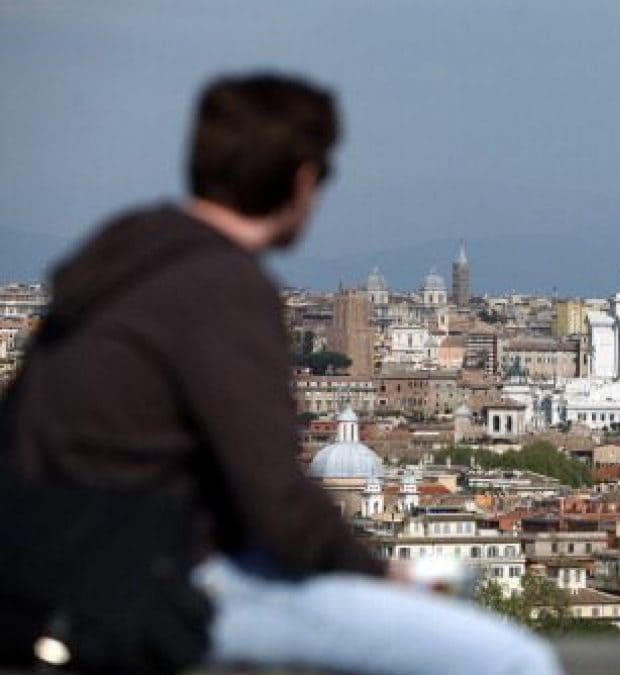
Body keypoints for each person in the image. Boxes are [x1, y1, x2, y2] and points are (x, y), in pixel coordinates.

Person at [0, 73, 562, 675]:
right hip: (148, 585)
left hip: (50, 577)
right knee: (508, 657)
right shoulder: (222, 286)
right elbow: (276, 499)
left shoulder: (118, 262)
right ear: (302, 179)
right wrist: (383, 576)